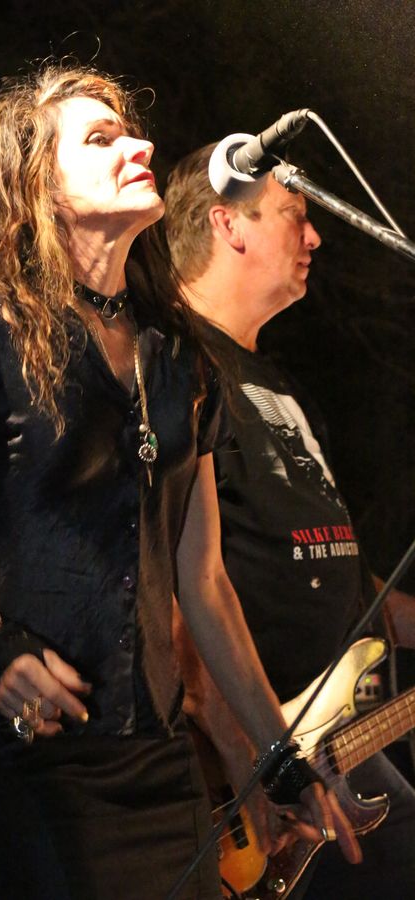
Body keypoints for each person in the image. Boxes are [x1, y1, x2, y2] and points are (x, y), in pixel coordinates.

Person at [0, 67, 358, 900]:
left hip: (158, 755)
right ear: (35, 186)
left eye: (131, 132)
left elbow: (203, 584)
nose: (138, 146)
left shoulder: (180, 360)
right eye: (100, 138)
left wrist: (276, 755)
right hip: (29, 751)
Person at [164, 143, 415, 899]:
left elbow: (330, 567)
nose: (315, 236)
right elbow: (172, 578)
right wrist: (248, 755)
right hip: (255, 767)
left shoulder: (276, 384)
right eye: (293, 215)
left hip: (330, 739)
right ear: (227, 224)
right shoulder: (174, 365)